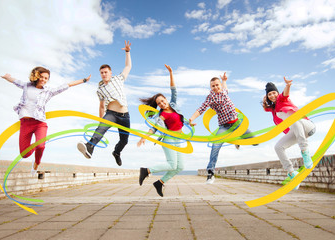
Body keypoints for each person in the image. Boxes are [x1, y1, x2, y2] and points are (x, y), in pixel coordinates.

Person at [1, 67, 91, 176]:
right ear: (37, 76)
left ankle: (36, 163)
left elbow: (68, 85)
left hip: (40, 123)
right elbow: (15, 81)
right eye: (42, 77)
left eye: (46, 78)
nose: (44, 80)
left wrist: (84, 80)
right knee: (24, 154)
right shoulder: (27, 86)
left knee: (41, 146)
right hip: (25, 123)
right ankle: (40, 142)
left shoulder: (49, 91)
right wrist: (7, 77)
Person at [189, 73, 256, 184]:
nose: (215, 87)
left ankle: (237, 137)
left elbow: (225, 87)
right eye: (213, 86)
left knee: (255, 142)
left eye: (217, 85)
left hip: (237, 124)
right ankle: (210, 173)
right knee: (215, 145)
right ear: (210, 88)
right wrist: (191, 119)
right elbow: (201, 109)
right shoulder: (211, 97)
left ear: (220, 85)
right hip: (224, 127)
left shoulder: (224, 91)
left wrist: (224, 80)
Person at [77, 41, 132, 166]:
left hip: (125, 115)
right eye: (102, 73)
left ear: (110, 73)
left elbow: (128, 67)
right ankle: (89, 147)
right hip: (111, 114)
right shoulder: (100, 89)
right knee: (100, 130)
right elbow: (101, 106)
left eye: (106, 72)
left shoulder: (118, 79)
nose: (104, 74)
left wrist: (127, 52)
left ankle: (117, 152)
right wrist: (101, 119)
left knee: (124, 140)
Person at [137, 64, 186, 197]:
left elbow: (174, 90)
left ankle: (159, 182)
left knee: (180, 167)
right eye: (159, 103)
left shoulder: (174, 105)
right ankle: (146, 171)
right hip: (168, 139)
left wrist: (171, 73)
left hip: (178, 139)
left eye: (162, 101)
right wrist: (144, 137)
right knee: (171, 165)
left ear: (166, 99)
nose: (162, 104)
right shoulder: (161, 116)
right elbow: (154, 128)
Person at [263, 77, 315, 189]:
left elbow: (285, 94)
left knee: (290, 117)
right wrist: (264, 101)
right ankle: (292, 174)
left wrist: (288, 85)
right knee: (278, 147)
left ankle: (305, 151)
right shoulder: (273, 109)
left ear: (277, 93)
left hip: (307, 126)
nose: (272, 96)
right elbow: (266, 108)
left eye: (274, 93)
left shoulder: (282, 99)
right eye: (269, 94)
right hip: (296, 131)